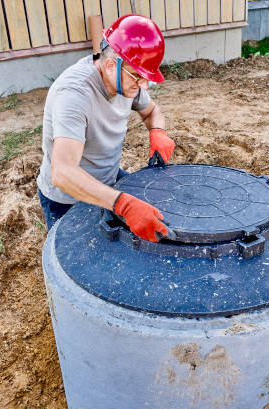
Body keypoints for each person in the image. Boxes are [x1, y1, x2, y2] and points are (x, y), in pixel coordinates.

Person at [36, 15, 175, 242]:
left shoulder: (126, 80)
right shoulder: (74, 94)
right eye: (139, 77)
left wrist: (157, 132)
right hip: (67, 198)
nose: (144, 85)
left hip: (109, 180)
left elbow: (151, 111)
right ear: (111, 64)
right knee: (79, 265)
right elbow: (62, 172)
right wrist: (124, 204)